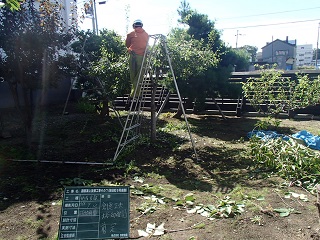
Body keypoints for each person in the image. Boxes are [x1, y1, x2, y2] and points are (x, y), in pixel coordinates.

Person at [125, 19, 149, 97]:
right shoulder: (146, 35)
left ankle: (134, 94)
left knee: (133, 75)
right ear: (141, 25)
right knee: (139, 76)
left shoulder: (130, 34)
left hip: (132, 55)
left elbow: (127, 45)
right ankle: (136, 93)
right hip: (142, 57)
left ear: (134, 25)